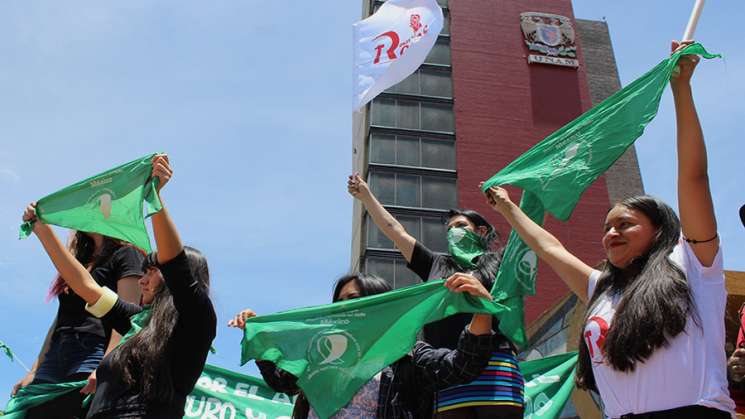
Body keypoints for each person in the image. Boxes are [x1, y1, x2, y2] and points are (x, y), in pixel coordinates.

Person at [482, 41, 734, 418]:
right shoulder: (600, 289)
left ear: (660, 230)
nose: (611, 234)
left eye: (625, 224)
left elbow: (694, 179)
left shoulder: (693, 265)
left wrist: (681, 90)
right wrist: (506, 207)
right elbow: (549, 248)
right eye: (606, 227)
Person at [21, 154, 217, 418]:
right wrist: (41, 229)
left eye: (152, 272)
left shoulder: (196, 319)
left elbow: (175, 262)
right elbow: (85, 285)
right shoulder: (136, 323)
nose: (142, 280)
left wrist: (154, 195)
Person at [348, 175, 524, 418]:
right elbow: (396, 232)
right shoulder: (435, 265)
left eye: (460, 226)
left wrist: (507, 205)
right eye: (449, 229)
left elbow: (530, 236)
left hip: (495, 366)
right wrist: (366, 197)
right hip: (448, 369)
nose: (453, 232)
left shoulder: (500, 262)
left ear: (481, 231)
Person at [229, 272, 498, 418]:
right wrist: (260, 338)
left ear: (376, 302)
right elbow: (284, 382)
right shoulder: (323, 351)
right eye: (339, 301)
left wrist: (482, 308)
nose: (344, 306)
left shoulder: (406, 354)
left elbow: (463, 366)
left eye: (354, 298)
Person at [12, 234, 143, 418]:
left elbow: (128, 319)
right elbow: (59, 319)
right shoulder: (80, 260)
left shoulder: (127, 254)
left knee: (77, 411)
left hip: (94, 349)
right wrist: (34, 371)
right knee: (36, 412)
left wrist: (107, 364)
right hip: (57, 354)